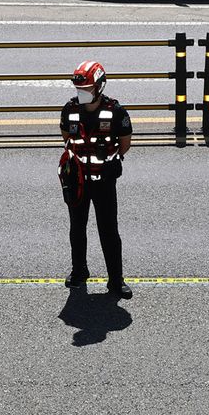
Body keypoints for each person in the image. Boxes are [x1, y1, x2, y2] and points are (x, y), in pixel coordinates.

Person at [60, 59, 133, 299]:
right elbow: (66, 139)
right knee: (77, 229)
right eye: (79, 90)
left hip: (104, 182)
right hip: (78, 180)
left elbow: (124, 145)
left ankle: (116, 280)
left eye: (87, 89)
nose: (82, 94)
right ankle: (79, 272)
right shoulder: (69, 110)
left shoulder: (116, 112)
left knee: (109, 230)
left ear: (99, 87)